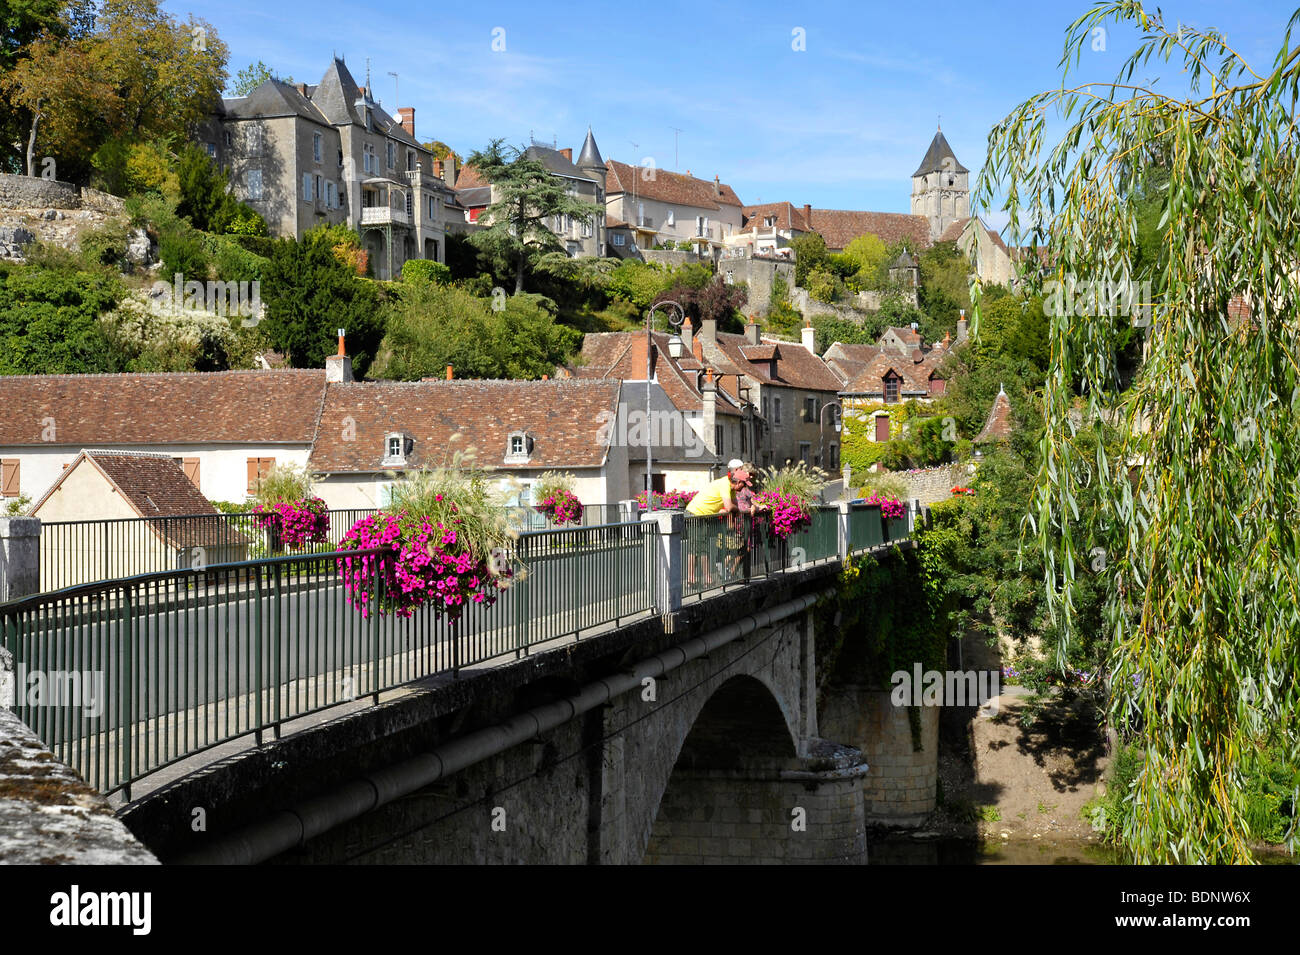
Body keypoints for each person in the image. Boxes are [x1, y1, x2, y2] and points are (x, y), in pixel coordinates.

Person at [685, 462, 744, 587]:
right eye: (743, 485)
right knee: (698, 548)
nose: (744, 488)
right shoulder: (725, 485)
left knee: (699, 548)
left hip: (702, 515)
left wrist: (734, 509)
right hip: (696, 514)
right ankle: (702, 580)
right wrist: (734, 510)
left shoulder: (731, 488)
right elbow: (730, 507)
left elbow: (734, 506)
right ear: (738, 482)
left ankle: (697, 579)